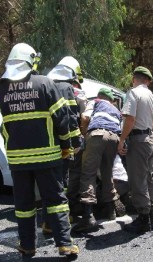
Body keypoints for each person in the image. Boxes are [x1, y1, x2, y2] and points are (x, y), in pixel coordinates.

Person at [0, 43, 79, 259]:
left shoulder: (1, 89)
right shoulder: (45, 83)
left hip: (18, 159)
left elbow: (5, 125)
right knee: (56, 201)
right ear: (31, 61)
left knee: (23, 205)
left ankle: (27, 246)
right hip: (47, 156)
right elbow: (62, 119)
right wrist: (66, 146)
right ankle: (65, 245)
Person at [72, 87, 122, 232]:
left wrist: (83, 134)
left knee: (88, 174)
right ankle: (110, 210)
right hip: (114, 138)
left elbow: (85, 118)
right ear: (111, 100)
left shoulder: (95, 102)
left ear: (99, 96)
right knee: (107, 173)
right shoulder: (115, 109)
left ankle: (88, 217)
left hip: (97, 135)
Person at [118, 66, 153, 234]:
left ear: (135, 79)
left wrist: (121, 140)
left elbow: (130, 119)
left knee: (138, 180)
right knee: (148, 179)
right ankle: (150, 215)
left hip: (139, 141)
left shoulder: (134, 93)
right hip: (151, 140)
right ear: (147, 80)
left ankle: (143, 220)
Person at [47, 56, 88, 221]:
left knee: (50, 182)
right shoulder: (68, 89)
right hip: (63, 143)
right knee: (63, 181)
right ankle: (63, 217)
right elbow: (72, 118)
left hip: (46, 143)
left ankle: (50, 217)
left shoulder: (46, 86)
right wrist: (77, 142)